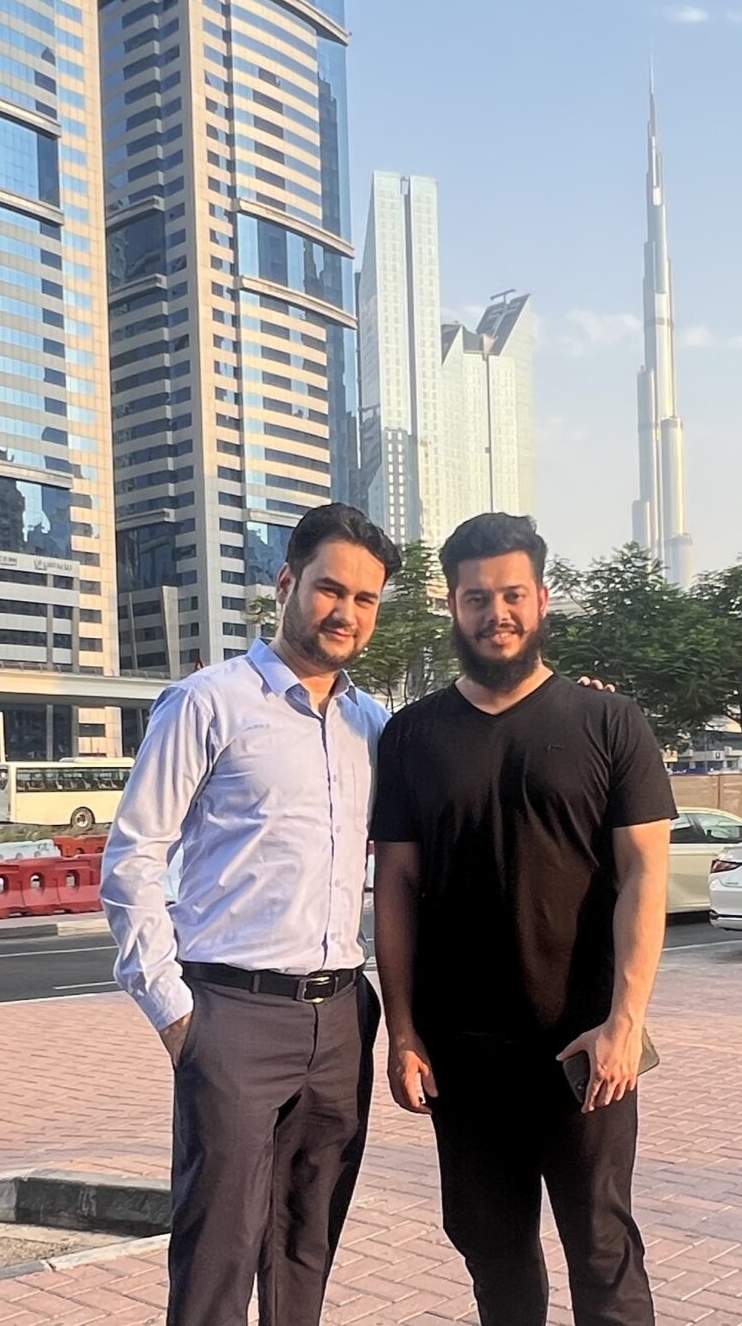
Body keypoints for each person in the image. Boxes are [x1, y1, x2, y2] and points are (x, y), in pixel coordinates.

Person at [370, 512, 675, 1326]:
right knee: (492, 1254)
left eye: (511, 595)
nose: (495, 613)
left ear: (541, 599)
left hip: (585, 1048)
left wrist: (625, 1023)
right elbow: (395, 887)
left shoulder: (610, 723)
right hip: (463, 1056)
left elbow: (645, 875)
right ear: (452, 605)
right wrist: (403, 1032)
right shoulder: (411, 736)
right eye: (476, 597)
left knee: (603, 1253)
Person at [100, 503, 400, 1326]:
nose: (345, 613)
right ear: (286, 583)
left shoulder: (373, 727)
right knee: (218, 1253)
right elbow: (132, 858)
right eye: (330, 589)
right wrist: (175, 1015)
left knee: (306, 1244)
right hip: (231, 1014)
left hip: (342, 1020)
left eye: (365, 599)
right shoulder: (208, 703)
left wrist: (578, 713)